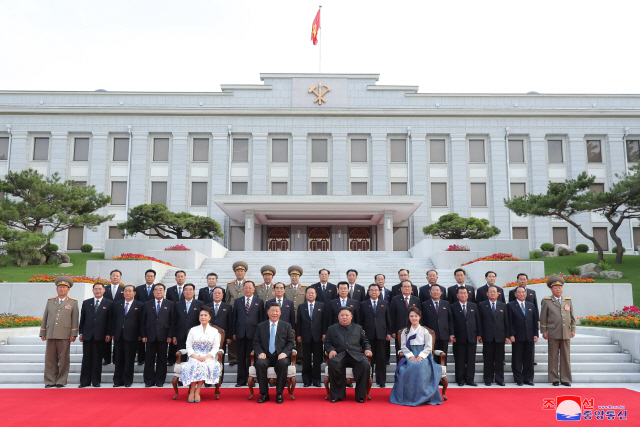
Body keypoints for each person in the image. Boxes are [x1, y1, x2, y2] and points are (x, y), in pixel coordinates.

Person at [390, 307, 443, 406]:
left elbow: (428, 347)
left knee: (419, 366)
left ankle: (423, 396)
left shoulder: (425, 331)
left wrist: (421, 357)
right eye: (411, 316)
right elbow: (403, 347)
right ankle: (408, 396)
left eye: (416, 316)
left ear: (419, 317)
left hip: (424, 355)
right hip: (410, 355)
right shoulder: (405, 332)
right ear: (409, 318)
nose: (414, 318)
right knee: (407, 368)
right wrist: (410, 356)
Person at [324, 307, 372, 403]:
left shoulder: (358, 328)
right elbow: (327, 343)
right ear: (338, 317)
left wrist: (367, 349)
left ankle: (360, 395)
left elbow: (365, 342)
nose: (344, 317)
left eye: (347, 315)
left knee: (364, 364)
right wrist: (331, 350)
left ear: (351, 317)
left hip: (355, 355)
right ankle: (336, 395)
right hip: (339, 355)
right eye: (342, 315)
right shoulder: (332, 328)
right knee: (333, 363)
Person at [40, 276, 79, 388]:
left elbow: (75, 319)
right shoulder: (50, 301)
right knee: (50, 359)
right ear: (57, 289)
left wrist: (73, 334)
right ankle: (49, 380)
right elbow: (45, 317)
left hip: (64, 335)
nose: (62, 290)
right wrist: (43, 332)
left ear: (68, 289)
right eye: (60, 287)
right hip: (51, 333)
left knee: (64, 359)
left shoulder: (73, 302)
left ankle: (61, 380)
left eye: (64, 288)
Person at [253, 303, 295, 404]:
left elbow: (291, 343)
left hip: (280, 355)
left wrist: (285, 353)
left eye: (277, 311)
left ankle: (279, 393)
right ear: (268, 312)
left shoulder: (286, 326)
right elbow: (256, 342)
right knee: (259, 363)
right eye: (272, 311)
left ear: (280, 313)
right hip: (266, 355)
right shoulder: (261, 326)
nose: (274, 313)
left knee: (283, 363)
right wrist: (260, 353)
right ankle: (264, 394)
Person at [179, 306, 222, 403]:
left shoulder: (214, 331)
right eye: (201, 315)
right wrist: (196, 357)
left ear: (209, 317)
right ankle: (192, 390)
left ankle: (197, 391)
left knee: (203, 365)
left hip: (209, 357)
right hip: (195, 356)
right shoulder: (193, 330)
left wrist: (206, 357)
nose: (203, 317)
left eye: (205, 315)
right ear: (199, 317)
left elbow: (216, 347)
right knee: (195, 364)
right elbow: (188, 346)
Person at [540, 276, 575, 386]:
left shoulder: (567, 301)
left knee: (565, 356)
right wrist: (544, 331)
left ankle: (565, 379)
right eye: (555, 288)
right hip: (553, 332)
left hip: (566, 332)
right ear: (551, 289)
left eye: (560, 288)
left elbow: (572, 316)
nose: (558, 290)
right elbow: (543, 317)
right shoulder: (547, 301)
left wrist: (572, 329)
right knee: (553, 356)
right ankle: (554, 378)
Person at [78, 283, 113, 388]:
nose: (98, 291)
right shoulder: (86, 303)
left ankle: (96, 381)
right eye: (96, 289)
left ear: (104, 290)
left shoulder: (109, 303)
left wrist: (109, 333)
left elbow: (110, 320)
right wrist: (81, 332)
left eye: (100, 289)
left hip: (101, 335)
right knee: (86, 358)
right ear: (93, 290)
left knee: (97, 358)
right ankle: (84, 381)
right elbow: (82, 319)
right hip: (88, 334)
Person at [141, 283, 174, 387]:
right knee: (149, 359)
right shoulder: (147, 304)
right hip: (150, 335)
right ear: (153, 292)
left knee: (162, 359)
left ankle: (160, 380)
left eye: (161, 290)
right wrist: (143, 335)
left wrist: (170, 335)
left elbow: (172, 321)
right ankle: (148, 380)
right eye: (156, 290)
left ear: (164, 292)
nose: (158, 291)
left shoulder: (170, 304)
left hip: (163, 336)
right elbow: (143, 321)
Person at [233, 280, 264, 387]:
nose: (247, 290)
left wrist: (260, 334)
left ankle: (252, 379)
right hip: (240, 333)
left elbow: (261, 319)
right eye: (246, 287)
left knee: (252, 358)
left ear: (254, 289)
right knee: (241, 357)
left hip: (254, 334)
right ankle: (241, 380)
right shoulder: (238, 301)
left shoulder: (259, 301)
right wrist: (234, 332)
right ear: (243, 289)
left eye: (250, 288)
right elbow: (235, 318)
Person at [112, 285, 143, 387]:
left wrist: (140, 334)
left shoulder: (139, 305)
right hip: (118, 335)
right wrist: (111, 332)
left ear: (134, 293)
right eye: (125, 291)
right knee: (118, 359)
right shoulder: (117, 304)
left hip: (132, 336)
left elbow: (141, 322)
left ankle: (127, 380)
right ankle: (117, 380)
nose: (127, 293)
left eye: (130, 291)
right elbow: (112, 320)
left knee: (129, 359)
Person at [360, 284, 391, 387]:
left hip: (381, 335)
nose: (374, 292)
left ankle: (381, 381)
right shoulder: (363, 304)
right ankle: (367, 380)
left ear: (379, 292)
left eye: (376, 290)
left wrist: (389, 332)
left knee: (381, 359)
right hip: (367, 336)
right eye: (371, 290)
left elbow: (388, 319)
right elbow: (361, 320)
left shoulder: (385, 303)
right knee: (368, 359)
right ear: (368, 292)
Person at [477, 285, 509, 386]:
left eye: (494, 292)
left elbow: (506, 322)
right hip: (487, 336)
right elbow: (479, 321)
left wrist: (507, 336)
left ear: (498, 294)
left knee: (499, 360)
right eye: (490, 292)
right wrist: (480, 334)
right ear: (487, 293)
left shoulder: (503, 305)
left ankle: (500, 379)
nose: (492, 293)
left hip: (500, 336)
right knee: (488, 359)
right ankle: (488, 379)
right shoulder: (482, 305)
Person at [450, 286, 481, 386]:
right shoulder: (453, 306)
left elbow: (478, 321)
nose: (463, 295)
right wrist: (452, 334)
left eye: (465, 293)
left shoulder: (473, 306)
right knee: (459, 359)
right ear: (457, 295)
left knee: (471, 359)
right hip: (458, 337)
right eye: (461, 293)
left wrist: (479, 334)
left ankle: (470, 379)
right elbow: (451, 322)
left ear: (468, 295)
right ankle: (460, 379)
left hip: (472, 336)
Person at [508, 285, 539, 386]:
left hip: (529, 336)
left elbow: (535, 321)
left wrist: (536, 334)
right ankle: (519, 379)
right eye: (519, 292)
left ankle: (528, 378)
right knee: (517, 358)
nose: (521, 294)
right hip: (517, 336)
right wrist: (511, 334)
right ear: (515, 294)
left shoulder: (531, 305)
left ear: (526, 294)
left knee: (529, 358)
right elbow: (509, 321)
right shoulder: (510, 305)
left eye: (523, 292)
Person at [296, 286, 326, 387]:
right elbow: (299, 322)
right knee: (306, 359)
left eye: (312, 293)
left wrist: (324, 333)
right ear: (306, 294)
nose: (311, 294)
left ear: (316, 294)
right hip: (305, 336)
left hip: (318, 336)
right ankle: (306, 380)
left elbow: (324, 321)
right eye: (309, 293)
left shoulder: (321, 306)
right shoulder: (301, 306)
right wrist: (299, 334)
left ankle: (317, 380)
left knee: (317, 360)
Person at [508, 273, 539, 366]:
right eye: (520, 279)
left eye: (524, 279)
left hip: (529, 323)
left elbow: (535, 306)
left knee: (529, 351)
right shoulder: (512, 292)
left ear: (527, 280)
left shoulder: (532, 292)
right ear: (517, 281)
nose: (522, 281)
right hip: (518, 326)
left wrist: (537, 319)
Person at [420, 285, 453, 365]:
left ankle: (442, 375)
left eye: (437, 290)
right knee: (431, 357)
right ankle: (432, 375)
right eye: (433, 290)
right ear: (430, 292)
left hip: (444, 334)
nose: (435, 292)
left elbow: (450, 320)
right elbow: (422, 320)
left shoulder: (446, 303)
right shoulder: (425, 304)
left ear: (441, 292)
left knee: (443, 357)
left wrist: (451, 334)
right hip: (430, 335)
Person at [207, 287, 233, 385]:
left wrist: (229, 336)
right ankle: (208, 380)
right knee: (209, 358)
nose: (217, 295)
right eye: (215, 293)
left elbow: (230, 322)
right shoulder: (207, 306)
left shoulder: (228, 307)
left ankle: (219, 379)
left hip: (222, 338)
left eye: (219, 293)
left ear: (223, 295)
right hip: (209, 338)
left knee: (220, 358)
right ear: (212, 294)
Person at [226, 261, 250, 366]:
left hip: (244, 312)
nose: (240, 273)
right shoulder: (230, 284)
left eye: (242, 271)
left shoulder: (248, 284)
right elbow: (227, 299)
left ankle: (245, 357)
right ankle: (233, 358)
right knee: (233, 334)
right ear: (235, 273)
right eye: (238, 271)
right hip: (232, 312)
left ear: (245, 273)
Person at [390, 280, 420, 358]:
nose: (406, 288)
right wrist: (393, 331)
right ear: (401, 288)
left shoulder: (417, 300)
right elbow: (392, 316)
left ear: (411, 288)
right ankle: (400, 369)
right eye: (405, 286)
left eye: (408, 286)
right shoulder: (395, 299)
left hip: (414, 331)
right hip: (399, 330)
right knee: (400, 352)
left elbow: (420, 316)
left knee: (413, 353)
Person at [173, 284, 204, 359]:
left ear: (193, 292)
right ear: (183, 292)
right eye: (186, 289)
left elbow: (202, 320)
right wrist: (174, 336)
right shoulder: (177, 304)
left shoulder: (200, 304)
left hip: (195, 335)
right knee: (182, 357)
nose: (188, 292)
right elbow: (174, 320)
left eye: (190, 290)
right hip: (181, 335)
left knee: (194, 358)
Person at [134, 269, 156, 365]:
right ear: (145, 277)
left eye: (151, 276)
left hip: (153, 318)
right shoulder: (139, 289)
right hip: (141, 316)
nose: (149, 277)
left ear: (154, 277)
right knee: (141, 338)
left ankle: (151, 358)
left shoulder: (158, 288)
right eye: (148, 276)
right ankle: (141, 358)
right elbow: (136, 302)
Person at [103, 269, 124, 365]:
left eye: (117, 275)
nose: (115, 277)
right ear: (110, 277)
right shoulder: (104, 289)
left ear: (120, 278)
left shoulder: (124, 290)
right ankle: (106, 359)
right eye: (113, 275)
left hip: (120, 317)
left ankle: (116, 359)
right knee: (106, 338)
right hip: (106, 317)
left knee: (118, 339)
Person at [166, 270, 187, 366]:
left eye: (182, 276)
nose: (180, 278)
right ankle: (171, 359)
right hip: (172, 315)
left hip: (183, 316)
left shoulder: (188, 289)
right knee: (173, 342)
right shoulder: (170, 290)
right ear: (175, 278)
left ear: (185, 278)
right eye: (178, 276)